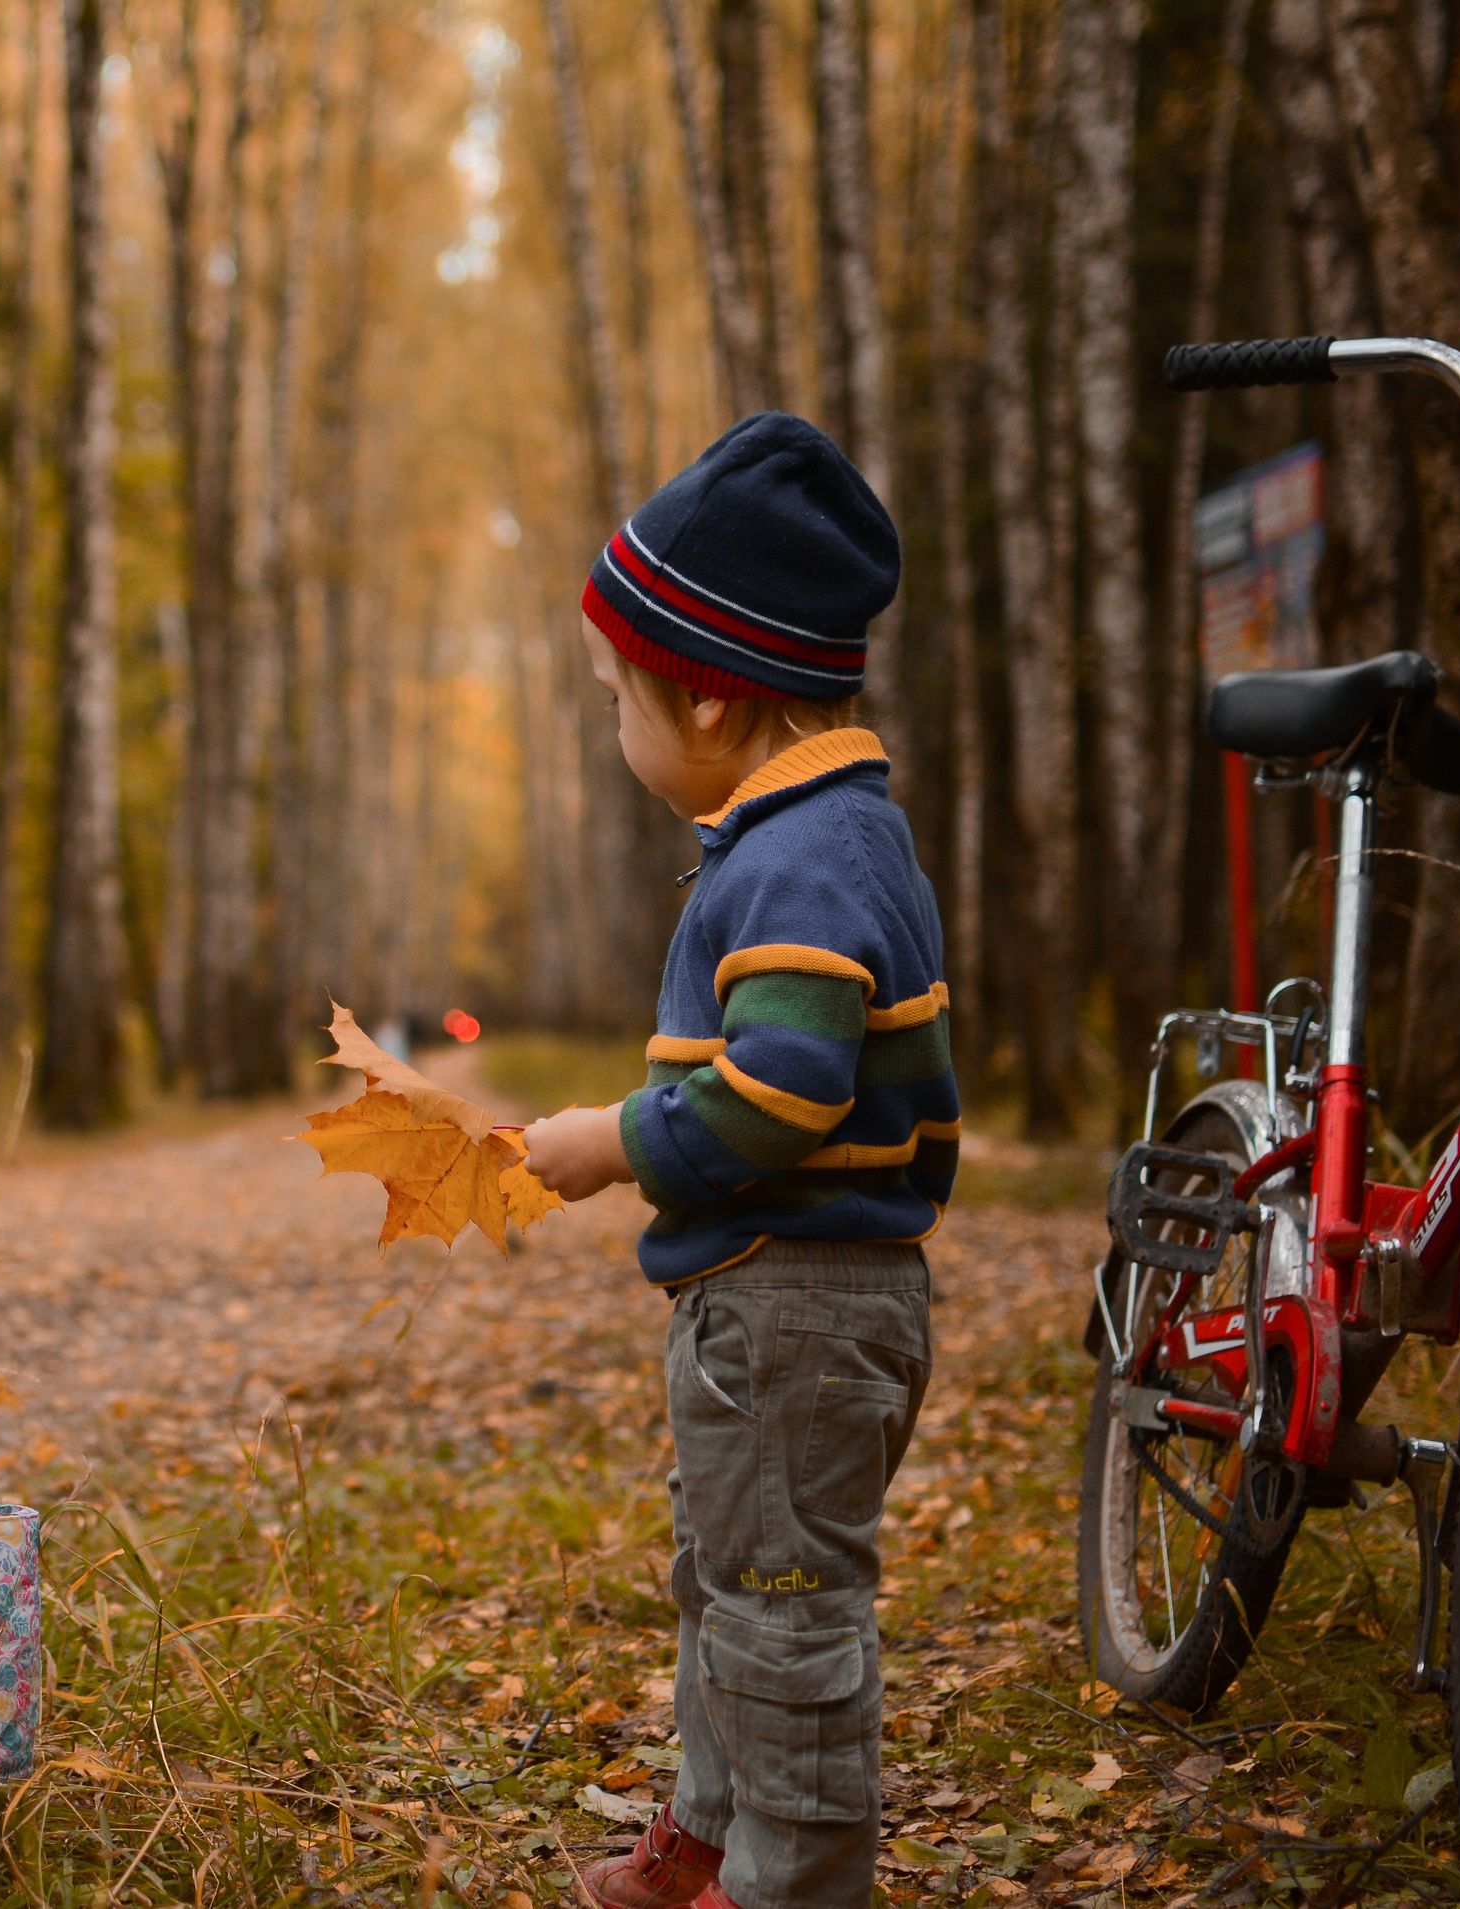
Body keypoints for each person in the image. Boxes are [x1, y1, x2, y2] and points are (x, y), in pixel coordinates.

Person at [522, 416, 957, 1909]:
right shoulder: (809, 831)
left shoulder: (801, 855)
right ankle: (719, 1824)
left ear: (707, 698)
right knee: (731, 1573)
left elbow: (780, 1088)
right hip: (777, 1304)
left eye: (616, 699)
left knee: (782, 1605)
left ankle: (795, 1873)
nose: (615, 726)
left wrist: (612, 1145)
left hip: (800, 1308)